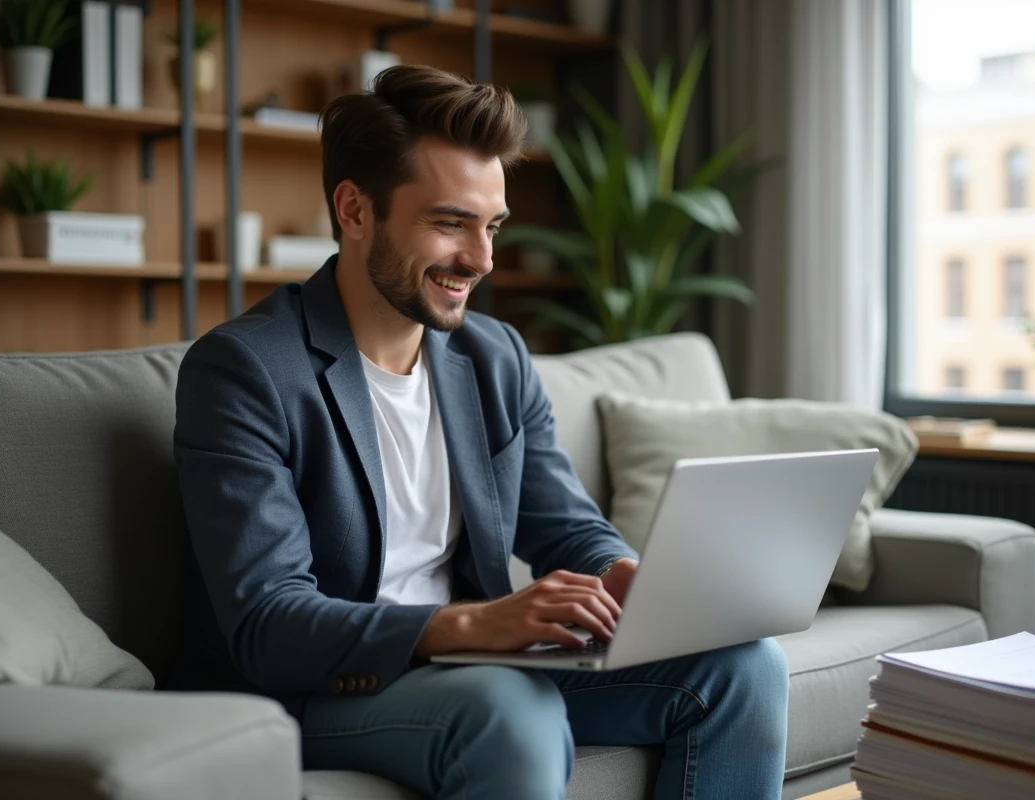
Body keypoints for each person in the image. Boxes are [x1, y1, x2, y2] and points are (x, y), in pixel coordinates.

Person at [168, 64, 789, 800]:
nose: (483, 260)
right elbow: (269, 624)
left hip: (478, 669)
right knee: (509, 710)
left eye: (491, 225)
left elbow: (566, 528)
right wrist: (472, 626)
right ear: (355, 210)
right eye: (449, 222)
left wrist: (626, 579)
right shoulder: (244, 370)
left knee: (744, 667)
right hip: (315, 692)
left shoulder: (492, 357)